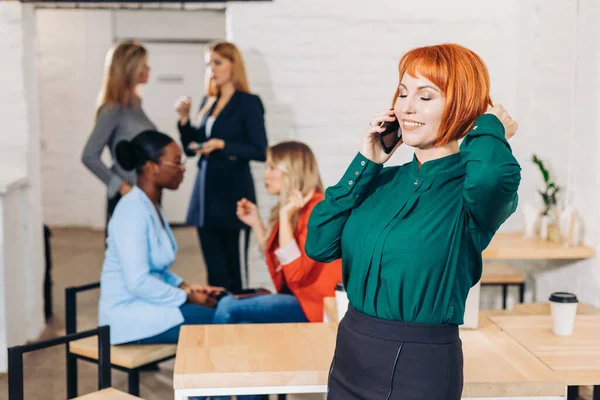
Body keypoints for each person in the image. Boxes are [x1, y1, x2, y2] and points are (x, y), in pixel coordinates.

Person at [305, 44, 521, 399]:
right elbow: (319, 244)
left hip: (419, 368)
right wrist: (366, 161)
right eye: (403, 93)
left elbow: (491, 178)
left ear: (461, 105)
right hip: (350, 355)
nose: (406, 106)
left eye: (425, 96)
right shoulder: (382, 181)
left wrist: (489, 126)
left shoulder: (470, 195)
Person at [99, 130, 222, 346]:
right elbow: (138, 282)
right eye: (176, 162)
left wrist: (186, 286)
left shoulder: (150, 205)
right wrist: (188, 297)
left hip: (148, 304)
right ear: (151, 167)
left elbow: (157, 271)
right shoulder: (132, 211)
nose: (183, 169)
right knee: (223, 321)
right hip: (127, 316)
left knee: (223, 311)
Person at [213, 141, 342, 324]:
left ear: (293, 171)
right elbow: (280, 264)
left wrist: (284, 216)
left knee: (228, 307)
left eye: (272, 168)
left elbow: (295, 273)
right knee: (241, 321)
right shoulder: (297, 209)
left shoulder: (317, 211)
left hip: (314, 306)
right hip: (299, 299)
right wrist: (256, 223)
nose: (266, 173)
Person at [174, 41, 268, 294]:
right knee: (215, 271)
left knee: (232, 272)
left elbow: (260, 150)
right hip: (206, 196)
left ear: (233, 65)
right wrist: (184, 121)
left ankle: (233, 321)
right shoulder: (209, 101)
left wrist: (222, 144)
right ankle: (218, 322)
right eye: (208, 64)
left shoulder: (248, 102)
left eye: (217, 62)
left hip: (232, 194)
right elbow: (192, 148)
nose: (211, 70)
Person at [82, 40, 156, 224]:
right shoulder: (112, 108)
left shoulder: (135, 103)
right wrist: (122, 187)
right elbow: (89, 156)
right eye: (143, 65)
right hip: (128, 199)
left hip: (147, 194)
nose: (149, 69)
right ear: (130, 69)